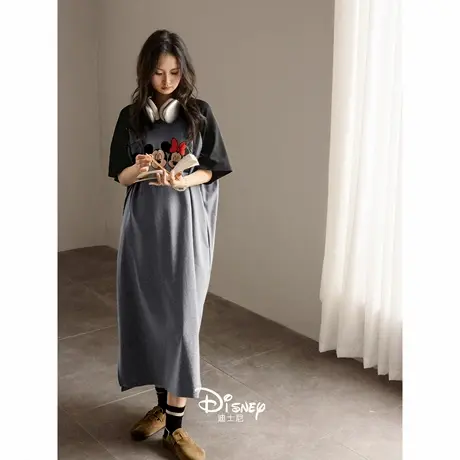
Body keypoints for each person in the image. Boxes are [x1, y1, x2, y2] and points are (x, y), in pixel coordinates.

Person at [108, 29, 232, 460]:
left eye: (175, 72)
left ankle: (176, 429)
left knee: (180, 320)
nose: (167, 81)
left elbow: (213, 169)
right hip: (143, 227)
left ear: (184, 71)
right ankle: (162, 409)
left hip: (184, 226)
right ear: (146, 72)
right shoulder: (130, 116)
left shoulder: (199, 113)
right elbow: (120, 175)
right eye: (159, 73)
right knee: (150, 317)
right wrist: (141, 168)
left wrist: (182, 180)